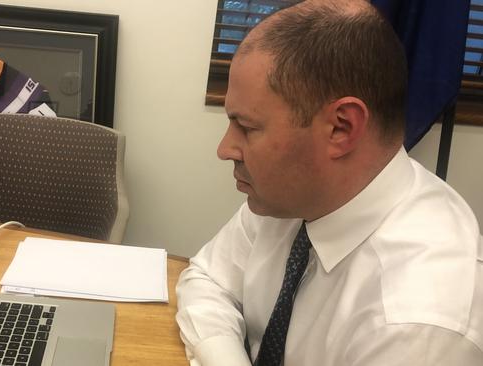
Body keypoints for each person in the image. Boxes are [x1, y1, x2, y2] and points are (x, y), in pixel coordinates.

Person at [175, 1, 483, 366]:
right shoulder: (295, 197)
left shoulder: (417, 323)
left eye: (247, 127)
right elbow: (208, 279)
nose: (225, 149)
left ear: (342, 127)